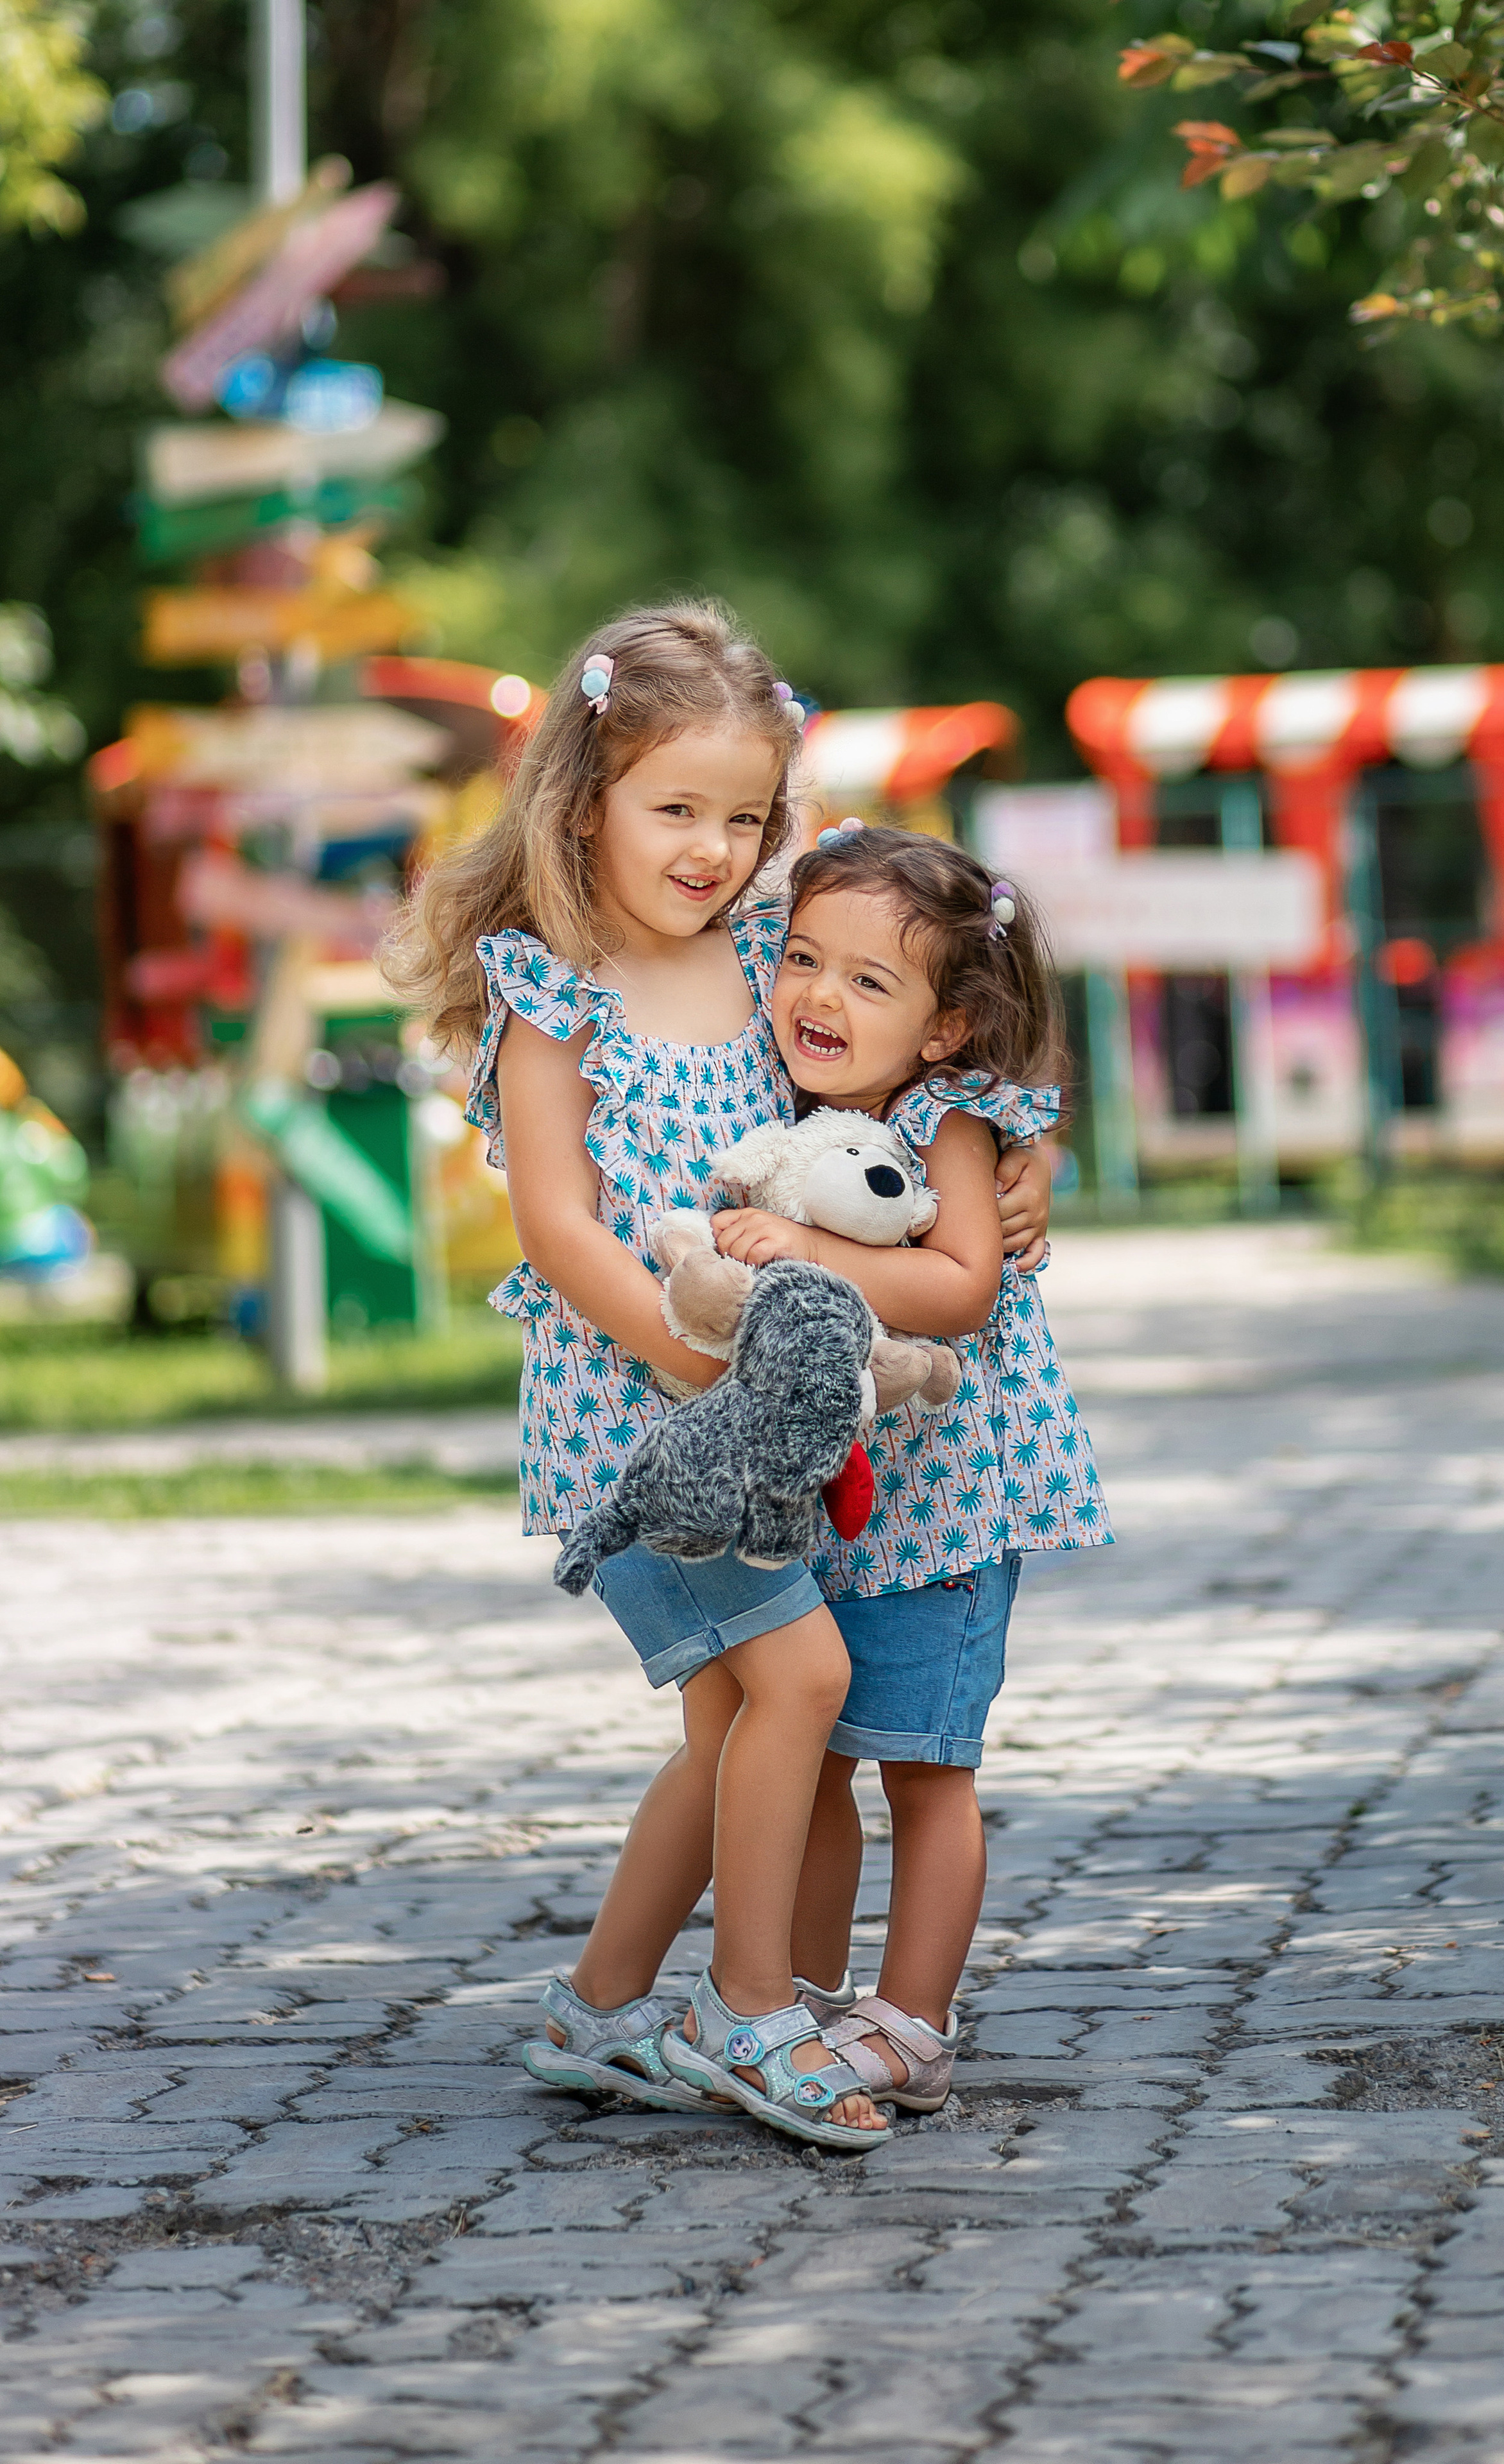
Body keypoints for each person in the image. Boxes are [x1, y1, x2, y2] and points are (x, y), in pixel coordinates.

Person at [386, 601, 1052, 2152]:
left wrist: (1028, 1175)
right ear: (582, 801)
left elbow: (926, 1057)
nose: (712, 847)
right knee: (803, 1688)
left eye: (743, 816)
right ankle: (749, 2016)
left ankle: (603, 2008)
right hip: (643, 1425)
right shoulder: (553, 985)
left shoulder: (772, 947)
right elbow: (556, 1223)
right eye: (674, 808)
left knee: (733, 1732)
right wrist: (685, 1351)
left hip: (769, 1427)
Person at [705, 823, 1112, 2114]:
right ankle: (803, 2002)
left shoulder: (947, 1117)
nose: (819, 996)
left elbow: (957, 1285)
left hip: (945, 1512)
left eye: (868, 983)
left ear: (944, 1027)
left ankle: (916, 2023)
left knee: (928, 1770)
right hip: (841, 1507)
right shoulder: (806, 1110)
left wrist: (797, 1253)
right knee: (818, 1753)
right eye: (805, 962)